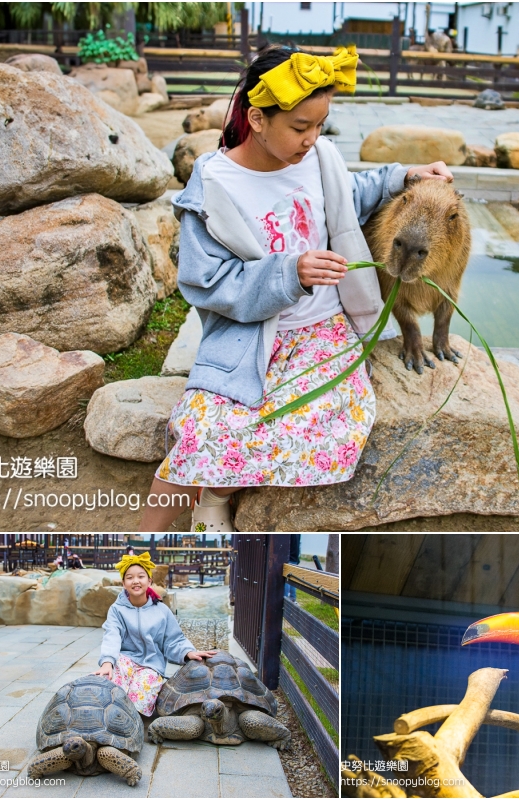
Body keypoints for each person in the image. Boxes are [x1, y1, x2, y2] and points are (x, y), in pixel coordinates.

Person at [137, 44, 454, 532]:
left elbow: (354, 193)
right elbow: (207, 282)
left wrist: (405, 175)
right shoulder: (215, 184)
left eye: (320, 125)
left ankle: (215, 495)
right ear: (257, 119)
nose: (313, 139)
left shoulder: (320, 159)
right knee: (202, 433)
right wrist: (290, 273)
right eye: (300, 127)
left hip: (324, 333)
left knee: (322, 423)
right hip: (252, 338)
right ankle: (137, 553)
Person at [91, 552, 218, 718]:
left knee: (140, 694)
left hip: (151, 664)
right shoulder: (117, 609)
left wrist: (187, 652)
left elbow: (174, 639)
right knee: (109, 681)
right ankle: (105, 717)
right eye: (129, 577)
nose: (135, 581)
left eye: (141, 576)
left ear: (149, 580)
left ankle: (129, 721)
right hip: (126, 659)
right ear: (123, 583)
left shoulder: (162, 610)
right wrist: (107, 662)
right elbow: (112, 635)